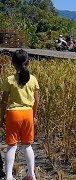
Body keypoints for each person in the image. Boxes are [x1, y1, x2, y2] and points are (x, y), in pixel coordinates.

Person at [1, 49, 40, 180]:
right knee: (27, 145)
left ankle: (9, 176)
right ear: (28, 62)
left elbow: (4, 101)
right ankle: (31, 174)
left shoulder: (10, 80)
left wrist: (1, 118)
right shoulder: (33, 79)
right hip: (28, 113)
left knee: (12, 146)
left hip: (13, 113)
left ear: (13, 64)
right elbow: (36, 101)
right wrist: (33, 116)